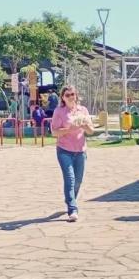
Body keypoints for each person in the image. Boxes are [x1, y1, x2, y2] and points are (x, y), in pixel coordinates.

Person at [50, 85, 94, 222]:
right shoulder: (59, 111)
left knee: (78, 181)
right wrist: (70, 129)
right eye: (67, 95)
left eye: (72, 94)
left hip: (80, 151)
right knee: (70, 179)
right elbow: (54, 132)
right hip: (64, 150)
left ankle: (70, 198)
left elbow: (91, 131)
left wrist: (84, 125)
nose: (70, 97)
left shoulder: (83, 110)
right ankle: (72, 209)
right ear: (63, 97)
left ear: (76, 95)